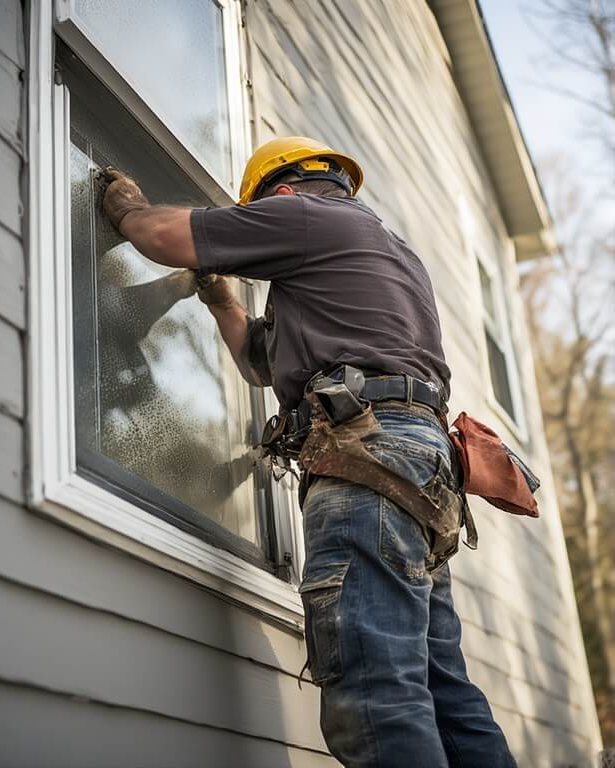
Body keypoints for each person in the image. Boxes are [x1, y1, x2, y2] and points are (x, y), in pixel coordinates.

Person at [100, 136, 517, 767]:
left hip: (367, 458)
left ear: (282, 195)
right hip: (422, 468)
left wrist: (126, 206)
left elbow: (161, 238)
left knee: (376, 690)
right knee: (443, 693)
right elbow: (261, 365)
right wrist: (221, 301)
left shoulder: (304, 217)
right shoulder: (386, 257)